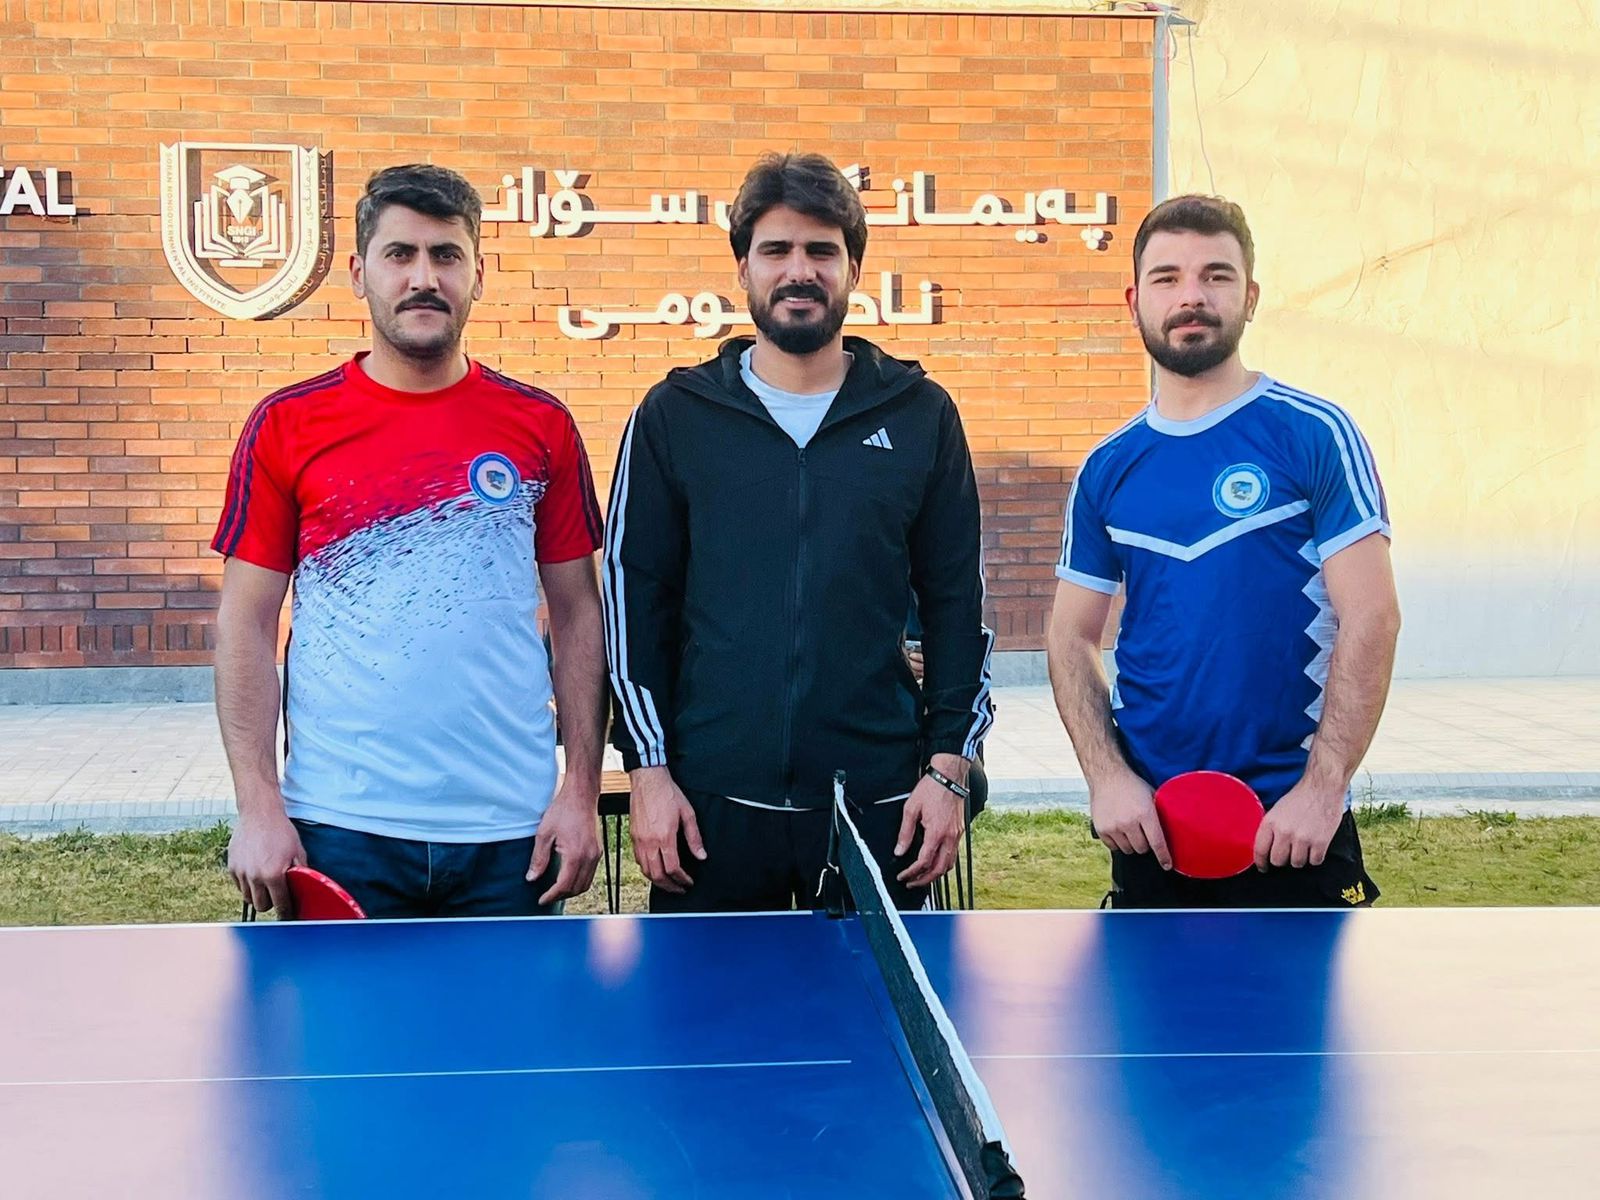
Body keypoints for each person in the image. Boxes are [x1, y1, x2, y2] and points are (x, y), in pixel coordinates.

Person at [602, 151, 994, 912]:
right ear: (743, 268)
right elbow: (632, 601)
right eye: (776, 250)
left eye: (822, 252)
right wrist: (647, 770)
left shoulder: (919, 415)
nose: (799, 271)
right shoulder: (675, 416)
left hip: (875, 808)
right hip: (708, 809)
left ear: (852, 269)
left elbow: (957, 605)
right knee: (709, 1029)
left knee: (871, 1029)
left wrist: (949, 768)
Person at [214, 164, 607, 919]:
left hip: (511, 833)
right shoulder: (288, 425)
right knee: (348, 1043)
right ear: (360, 273)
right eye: (400, 255)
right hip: (341, 828)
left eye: (445, 256)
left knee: (506, 1042)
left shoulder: (541, 426)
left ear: (477, 275)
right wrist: (260, 804)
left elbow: (580, 615)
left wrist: (580, 790)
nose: (423, 277)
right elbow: (246, 622)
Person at [1048, 194, 1399, 908]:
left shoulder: (1313, 433)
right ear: (1134, 299)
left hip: (1291, 828)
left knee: (1301, 1026)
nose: (1192, 296)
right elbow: (1069, 634)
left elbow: (1373, 618)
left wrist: (1323, 788)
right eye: (1167, 277)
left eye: (1217, 275)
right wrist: (1108, 778)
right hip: (1152, 835)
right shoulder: (1108, 466)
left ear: (1251, 296)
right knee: (1146, 1024)